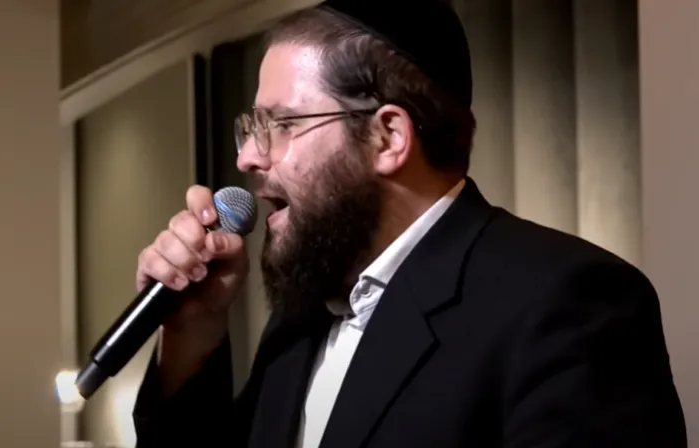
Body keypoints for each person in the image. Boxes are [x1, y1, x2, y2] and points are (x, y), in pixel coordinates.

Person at [130, 1, 686, 446]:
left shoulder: (568, 302)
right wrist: (193, 331)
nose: (248, 157)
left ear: (388, 137)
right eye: (251, 128)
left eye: (282, 124)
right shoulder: (299, 321)